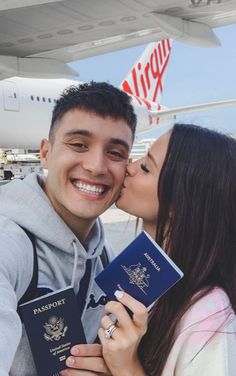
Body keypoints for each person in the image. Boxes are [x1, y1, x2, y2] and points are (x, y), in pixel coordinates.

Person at [63, 123, 236, 376]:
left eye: (145, 167)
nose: (128, 167)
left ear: (180, 200)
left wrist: (127, 368)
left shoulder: (210, 316)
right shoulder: (143, 273)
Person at [0, 81, 137, 376]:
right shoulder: (9, 242)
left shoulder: (104, 257)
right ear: (45, 153)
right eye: (78, 144)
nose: (96, 166)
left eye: (115, 152)